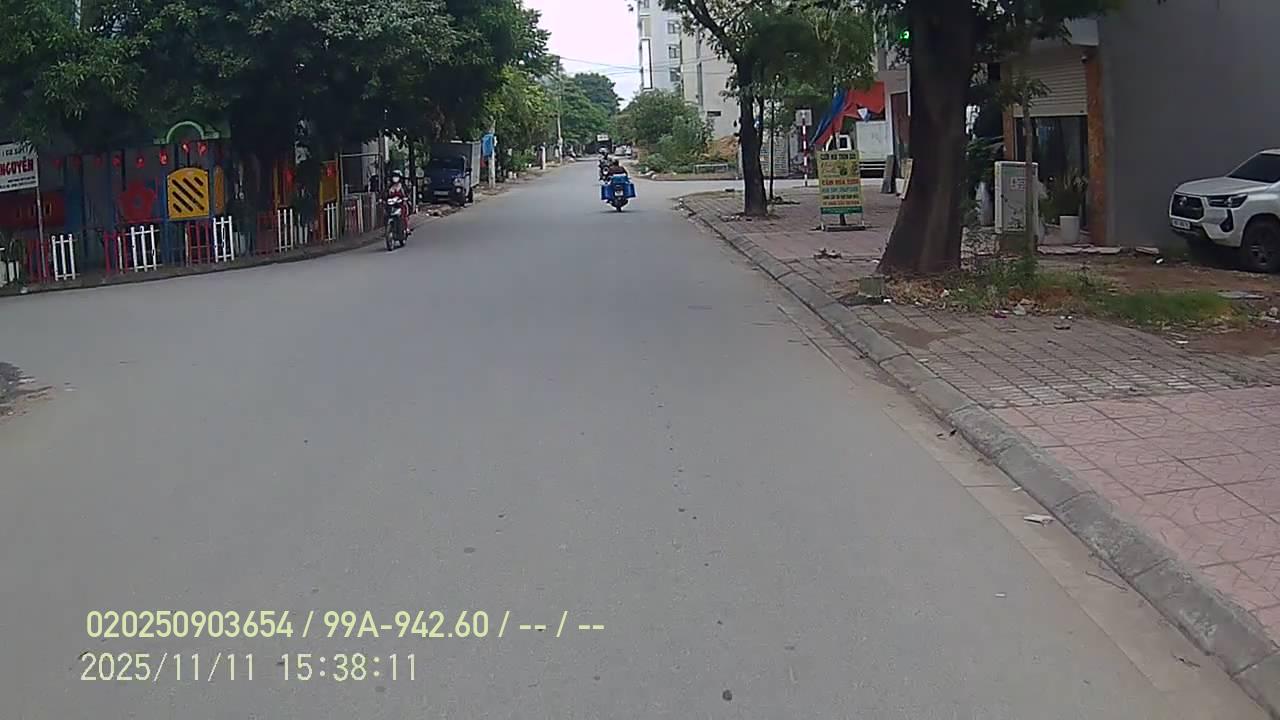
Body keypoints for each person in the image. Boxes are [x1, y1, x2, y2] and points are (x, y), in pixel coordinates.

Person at [384, 170, 412, 235]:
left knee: (404, 213)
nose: (395, 178)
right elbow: (385, 194)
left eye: (396, 177)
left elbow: (407, 193)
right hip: (392, 205)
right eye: (394, 176)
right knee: (386, 213)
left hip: (401, 204)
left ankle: (406, 228)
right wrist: (382, 198)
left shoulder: (402, 186)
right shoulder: (390, 187)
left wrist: (406, 198)